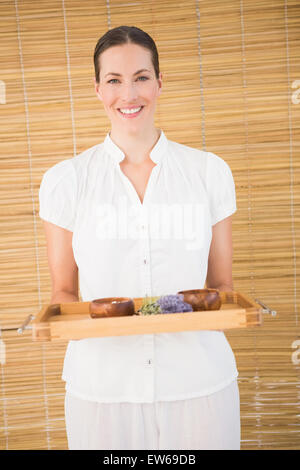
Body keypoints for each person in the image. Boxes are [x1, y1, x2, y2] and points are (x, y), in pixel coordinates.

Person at [39, 25, 240, 450]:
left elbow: (221, 287)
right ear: (97, 89)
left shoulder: (209, 173)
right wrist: (62, 325)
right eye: (114, 80)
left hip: (199, 385)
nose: (128, 94)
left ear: (160, 83)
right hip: (103, 393)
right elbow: (63, 291)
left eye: (141, 77)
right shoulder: (66, 181)